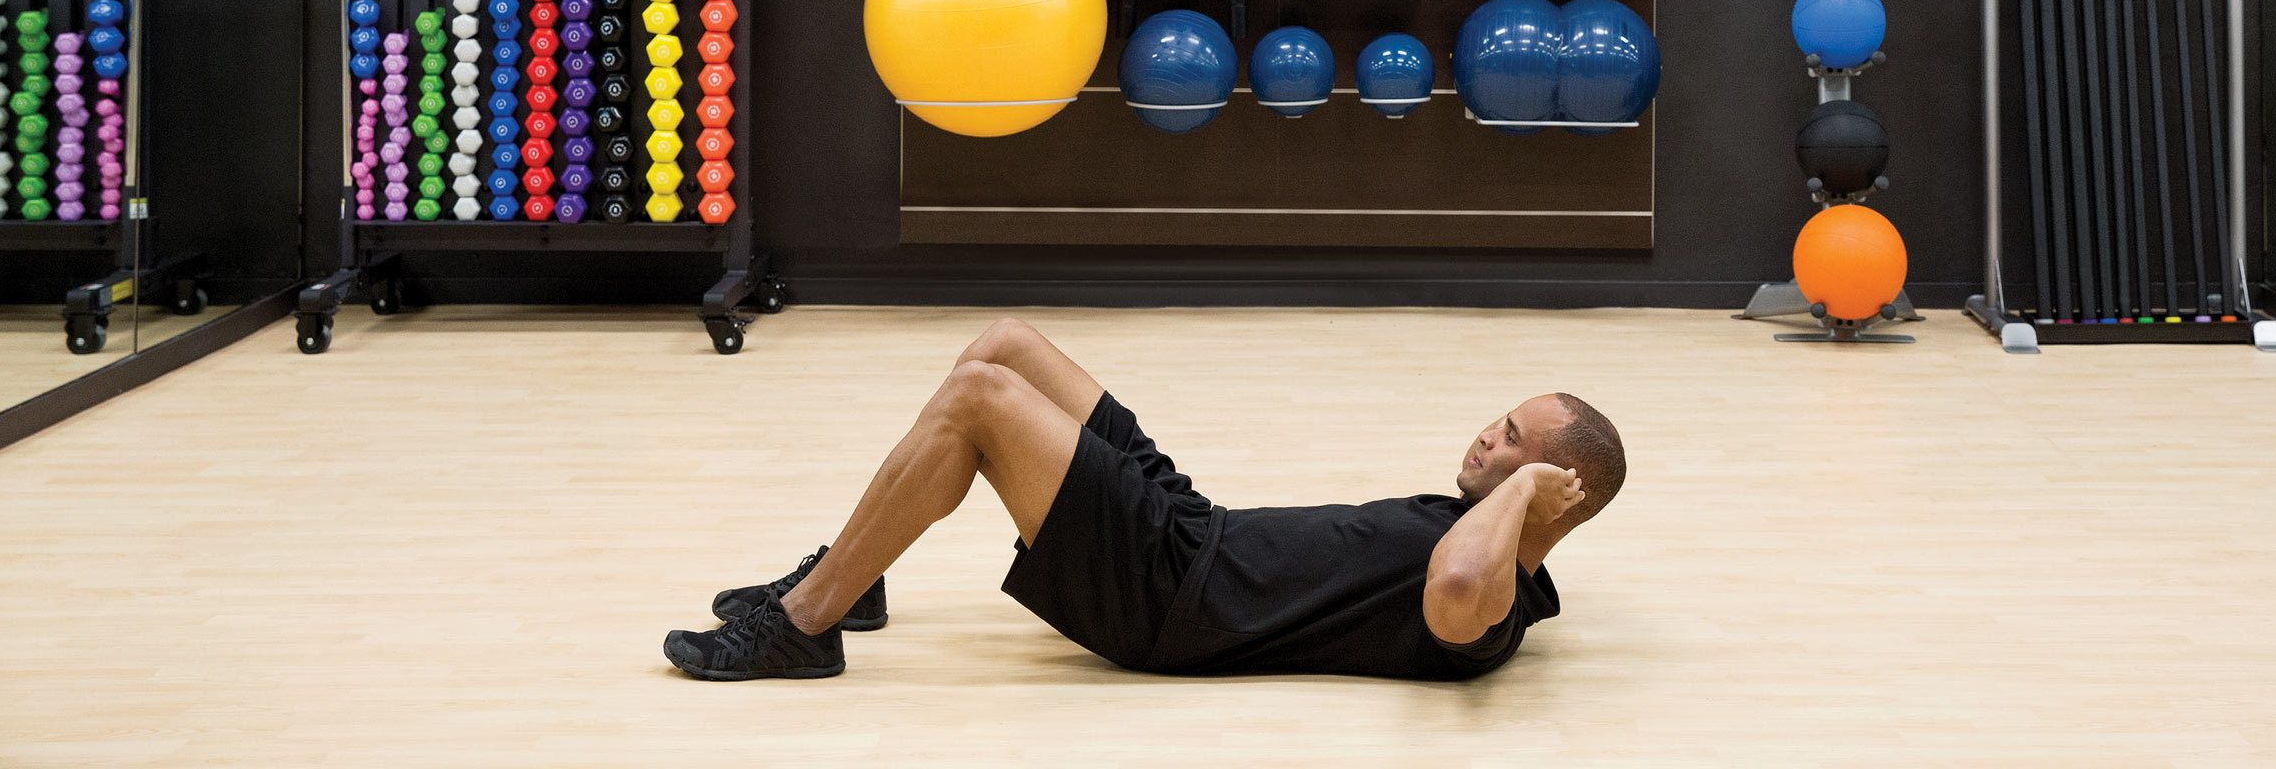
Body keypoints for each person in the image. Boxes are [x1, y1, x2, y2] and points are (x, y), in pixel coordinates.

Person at [663, 316, 1625, 682]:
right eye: (1499, 422)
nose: (1485, 437)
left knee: (979, 403)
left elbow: (1456, 595)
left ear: (1555, 493)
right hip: (1195, 532)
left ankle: (806, 621)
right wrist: (1524, 487)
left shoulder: (1496, 601)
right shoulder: (1483, 533)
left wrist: (1531, 496)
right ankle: (858, 575)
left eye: (1512, 442)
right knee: (1006, 347)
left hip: (1172, 602)